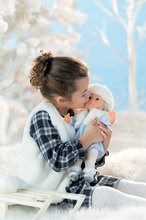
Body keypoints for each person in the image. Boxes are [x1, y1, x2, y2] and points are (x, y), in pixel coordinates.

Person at [21, 51, 146, 210]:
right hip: (51, 191)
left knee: (129, 187)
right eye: (84, 94)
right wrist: (87, 139)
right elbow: (58, 160)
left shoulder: (74, 114)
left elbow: (85, 160)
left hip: (76, 180)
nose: (89, 96)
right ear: (61, 99)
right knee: (107, 196)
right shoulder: (42, 117)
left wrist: (102, 147)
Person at [69, 83, 115, 182]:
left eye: (97, 99)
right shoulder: (81, 113)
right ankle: (75, 169)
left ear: (104, 104)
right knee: (79, 154)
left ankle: (89, 170)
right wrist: (69, 121)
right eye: (90, 97)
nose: (92, 100)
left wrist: (110, 119)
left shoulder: (100, 114)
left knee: (93, 152)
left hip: (94, 143)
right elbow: (75, 122)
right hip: (80, 138)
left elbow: (107, 121)